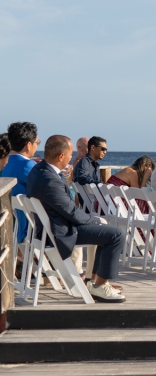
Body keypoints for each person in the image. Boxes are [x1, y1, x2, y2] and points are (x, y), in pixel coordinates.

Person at [26, 135, 125, 303]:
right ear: (61, 156)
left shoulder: (38, 171)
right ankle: (101, 285)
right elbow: (72, 212)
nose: (72, 157)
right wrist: (93, 220)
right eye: (70, 153)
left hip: (51, 226)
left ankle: (96, 282)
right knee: (116, 235)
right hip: (62, 231)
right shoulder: (50, 180)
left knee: (105, 230)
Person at [1, 122, 40, 245]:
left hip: (16, 227)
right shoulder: (29, 166)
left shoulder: (7, 167)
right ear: (28, 145)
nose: (37, 146)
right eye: (37, 143)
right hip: (30, 229)